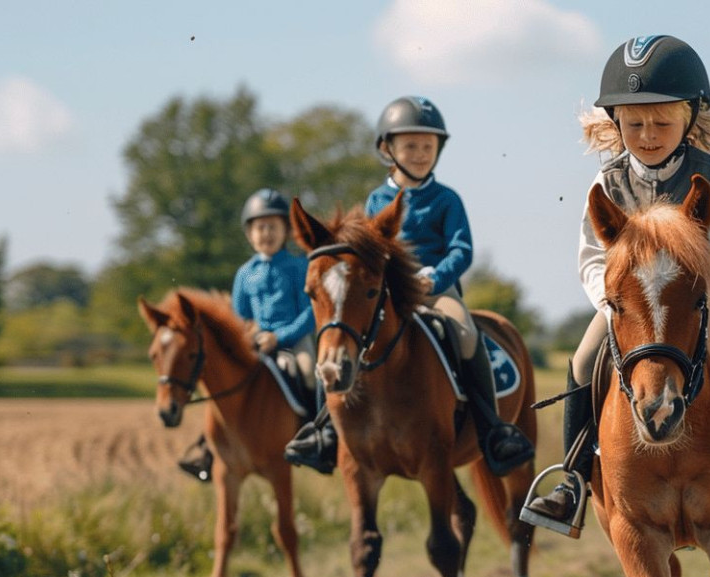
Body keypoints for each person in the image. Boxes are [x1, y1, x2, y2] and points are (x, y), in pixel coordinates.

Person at [521, 35, 710, 537]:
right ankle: (572, 479)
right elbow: (592, 258)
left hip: (706, 300)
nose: (648, 134)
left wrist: (698, 290)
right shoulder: (606, 184)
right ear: (615, 123)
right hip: (631, 305)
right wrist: (619, 301)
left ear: (690, 118)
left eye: (662, 121)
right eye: (635, 122)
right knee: (580, 361)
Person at [283, 96, 534, 475]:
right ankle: (324, 431)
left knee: (465, 333)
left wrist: (434, 277)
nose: (420, 154)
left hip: (438, 292)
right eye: (411, 146)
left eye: (427, 147)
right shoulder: (376, 200)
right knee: (336, 337)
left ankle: (492, 428)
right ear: (388, 149)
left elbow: (462, 251)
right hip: (390, 296)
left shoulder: (447, 199)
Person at [177, 188, 316, 481]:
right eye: (259, 227)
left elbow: (310, 313)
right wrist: (248, 335)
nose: (266, 234)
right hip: (254, 344)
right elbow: (238, 318)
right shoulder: (245, 274)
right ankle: (207, 448)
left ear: (286, 231)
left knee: (307, 372)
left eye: (273, 227)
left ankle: (319, 437)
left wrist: (278, 337)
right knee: (224, 381)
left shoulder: (298, 267)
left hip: (293, 341)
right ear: (249, 234)